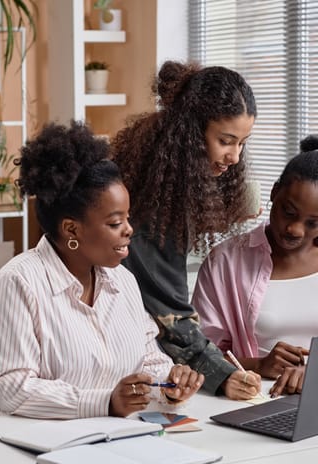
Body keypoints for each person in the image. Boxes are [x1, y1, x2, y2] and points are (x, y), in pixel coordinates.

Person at [0, 121, 204, 419]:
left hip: (107, 437)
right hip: (23, 442)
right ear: (72, 229)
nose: (129, 230)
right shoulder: (18, 282)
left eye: (127, 218)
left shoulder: (123, 281)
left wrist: (169, 381)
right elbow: (11, 386)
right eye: (114, 222)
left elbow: (147, 359)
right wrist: (105, 402)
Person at [111, 60, 262, 400]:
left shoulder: (157, 174)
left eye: (242, 143)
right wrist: (222, 376)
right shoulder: (154, 201)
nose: (235, 156)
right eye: (226, 141)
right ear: (193, 133)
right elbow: (169, 314)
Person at [192, 135, 318, 398]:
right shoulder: (227, 261)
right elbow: (198, 353)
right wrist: (258, 365)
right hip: (255, 401)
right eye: (289, 212)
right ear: (274, 192)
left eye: (313, 223)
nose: (295, 230)